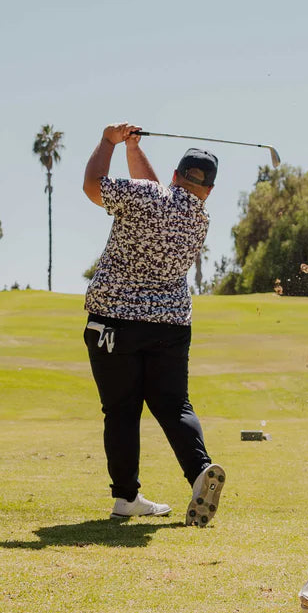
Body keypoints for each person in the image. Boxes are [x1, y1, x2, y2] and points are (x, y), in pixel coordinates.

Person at [82, 122, 225, 527]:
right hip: (170, 325)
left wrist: (109, 142)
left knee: (122, 411)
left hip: (115, 322)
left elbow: (94, 186)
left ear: (177, 175)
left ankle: (126, 498)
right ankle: (200, 470)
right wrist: (133, 148)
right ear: (209, 190)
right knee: (174, 405)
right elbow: (157, 192)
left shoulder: (148, 196)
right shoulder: (199, 218)